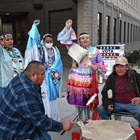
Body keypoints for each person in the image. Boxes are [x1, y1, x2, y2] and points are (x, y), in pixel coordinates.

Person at [0, 61, 73, 140]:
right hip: (12, 131)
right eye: (42, 74)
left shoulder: (23, 77)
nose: (45, 77)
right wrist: (62, 126)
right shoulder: (25, 92)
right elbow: (38, 120)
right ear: (33, 75)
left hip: (24, 123)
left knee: (44, 136)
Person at [57, 19, 107, 126]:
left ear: (89, 39)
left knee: (89, 98)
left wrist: (96, 67)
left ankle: (89, 117)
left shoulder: (95, 51)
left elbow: (101, 63)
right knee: (79, 99)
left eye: (87, 38)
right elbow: (64, 41)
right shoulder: (75, 48)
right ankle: (79, 118)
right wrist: (68, 28)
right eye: (82, 38)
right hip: (77, 78)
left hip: (90, 78)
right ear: (79, 40)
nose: (85, 40)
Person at [24, 20, 63, 121]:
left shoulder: (56, 50)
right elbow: (34, 42)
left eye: (51, 41)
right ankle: (45, 116)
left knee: (52, 96)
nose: (49, 43)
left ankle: (53, 116)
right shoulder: (40, 50)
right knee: (44, 96)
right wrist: (34, 27)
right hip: (44, 76)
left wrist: (52, 70)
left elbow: (58, 62)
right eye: (47, 41)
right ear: (44, 42)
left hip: (53, 75)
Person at [97, 56, 140, 127]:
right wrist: (108, 104)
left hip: (132, 104)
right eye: (117, 67)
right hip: (116, 104)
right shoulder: (111, 78)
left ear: (127, 67)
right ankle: (106, 128)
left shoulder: (135, 76)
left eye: (122, 66)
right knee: (101, 108)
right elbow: (104, 92)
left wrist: (139, 98)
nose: (119, 69)